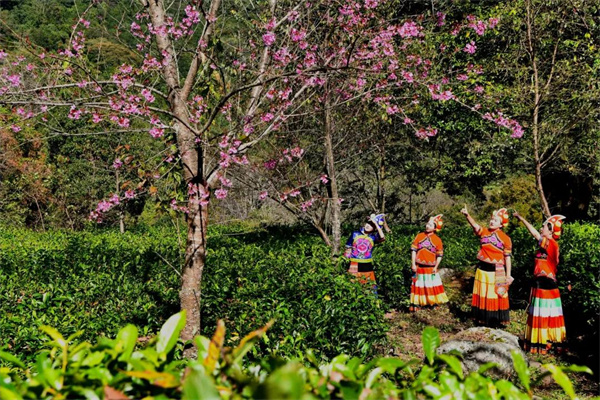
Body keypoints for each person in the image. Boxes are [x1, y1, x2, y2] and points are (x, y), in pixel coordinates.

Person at [514, 212, 567, 354]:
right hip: (540, 284)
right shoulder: (543, 246)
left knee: (544, 314)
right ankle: (540, 341)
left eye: (543, 226)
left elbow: (535, 234)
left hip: (546, 285)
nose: (541, 228)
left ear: (550, 231)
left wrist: (522, 219)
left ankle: (547, 342)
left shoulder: (552, 244)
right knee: (541, 313)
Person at [461, 206, 513, 327]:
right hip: (481, 269)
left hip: (496, 271)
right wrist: (467, 215)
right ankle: (481, 318)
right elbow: (475, 226)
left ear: (501, 224)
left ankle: (494, 320)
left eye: (495, 220)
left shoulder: (506, 239)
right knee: (483, 293)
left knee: (494, 294)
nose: (492, 221)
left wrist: (508, 275)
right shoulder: (484, 232)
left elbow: (507, 258)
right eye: (492, 219)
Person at [409, 214, 448, 311]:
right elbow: (413, 250)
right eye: (427, 224)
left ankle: (432, 302)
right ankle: (416, 303)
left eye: (430, 225)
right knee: (418, 285)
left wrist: (436, 267)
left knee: (431, 285)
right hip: (419, 266)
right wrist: (413, 264)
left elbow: (439, 255)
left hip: (430, 268)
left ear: (435, 228)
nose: (427, 226)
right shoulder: (419, 236)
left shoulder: (437, 240)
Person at [343, 214, 386, 293]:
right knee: (352, 286)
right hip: (354, 263)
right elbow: (348, 247)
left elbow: (383, 237)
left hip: (367, 264)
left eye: (372, 225)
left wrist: (376, 224)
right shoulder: (355, 233)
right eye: (368, 223)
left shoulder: (373, 237)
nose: (368, 226)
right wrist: (345, 260)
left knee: (369, 287)